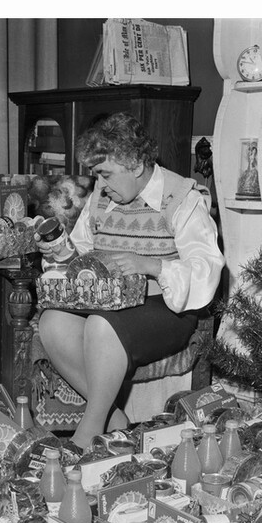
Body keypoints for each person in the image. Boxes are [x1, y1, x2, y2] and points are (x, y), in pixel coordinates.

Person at [35, 112, 225, 452]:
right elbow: (82, 252)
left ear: (136, 164)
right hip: (109, 302)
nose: (100, 185)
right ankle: (116, 420)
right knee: (52, 322)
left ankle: (89, 432)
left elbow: (206, 269)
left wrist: (151, 266)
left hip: (166, 309)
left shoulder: (183, 198)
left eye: (105, 174)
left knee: (100, 325)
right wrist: (61, 251)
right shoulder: (100, 199)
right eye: (96, 175)